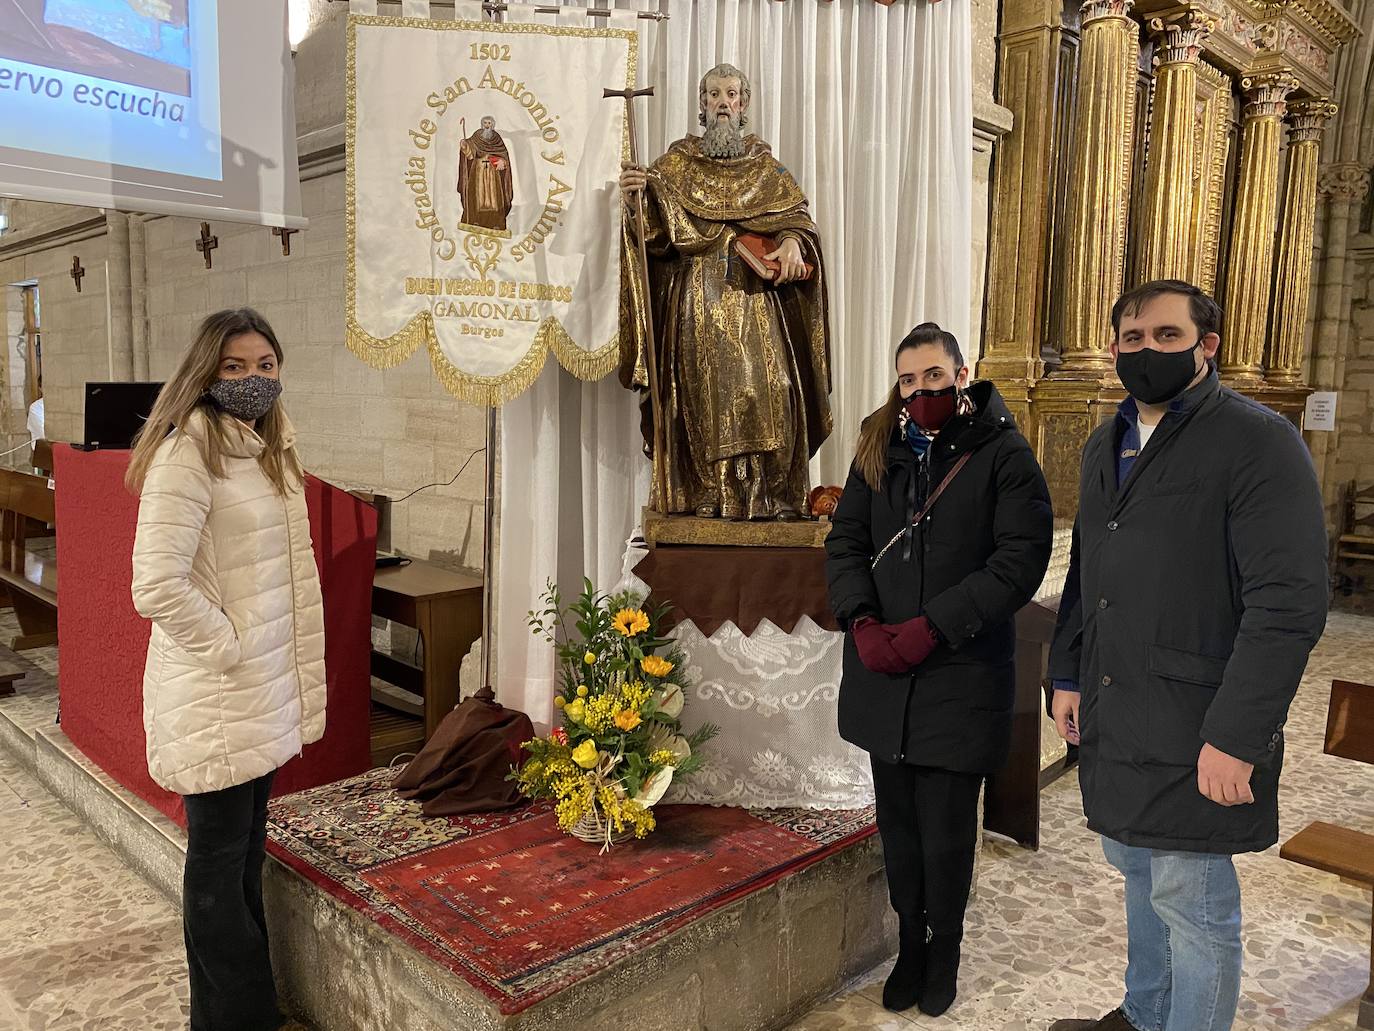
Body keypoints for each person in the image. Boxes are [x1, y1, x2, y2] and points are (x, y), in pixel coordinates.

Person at [1046, 280, 1328, 1031]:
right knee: (1137, 871)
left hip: (1198, 720)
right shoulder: (1107, 442)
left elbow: (1289, 603)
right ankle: (1146, 1015)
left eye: (1166, 337)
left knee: (1194, 905)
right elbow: (1087, 570)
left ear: (1207, 345)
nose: (1147, 352)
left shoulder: (1258, 441)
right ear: (1114, 347)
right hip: (1120, 703)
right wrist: (1067, 672)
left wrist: (1236, 736)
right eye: (1132, 338)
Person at [825, 322, 1053, 1016]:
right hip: (885, 675)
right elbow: (845, 542)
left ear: (961, 375)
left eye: (932, 376)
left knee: (947, 830)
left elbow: (1018, 560)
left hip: (960, 673)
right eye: (906, 379)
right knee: (899, 828)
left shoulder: (1005, 454)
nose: (919, 390)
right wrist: (861, 620)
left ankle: (945, 947)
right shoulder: (878, 450)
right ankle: (910, 947)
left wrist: (932, 627)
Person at [126, 307, 323, 1031]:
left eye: (264, 365)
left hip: (256, 692)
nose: (251, 379)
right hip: (216, 689)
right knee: (216, 859)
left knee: (244, 852)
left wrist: (261, 657)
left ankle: (228, 1015)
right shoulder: (190, 453)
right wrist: (232, 646)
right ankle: (242, 1021)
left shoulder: (268, 448)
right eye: (234, 367)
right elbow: (156, 584)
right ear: (206, 373)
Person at [618, 62, 832, 521]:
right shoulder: (673, 166)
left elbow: (799, 220)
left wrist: (792, 241)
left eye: (731, 94)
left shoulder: (766, 168)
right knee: (700, 396)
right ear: (701, 104)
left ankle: (769, 496)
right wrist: (636, 201)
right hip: (696, 299)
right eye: (713, 94)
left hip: (754, 302)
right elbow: (653, 239)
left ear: (744, 105)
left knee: (771, 389)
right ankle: (706, 495)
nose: (722, 103)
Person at [457, 115, 514, 233]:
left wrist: (501, 161)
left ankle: (495, 223)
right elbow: (471, 154)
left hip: (493, 173)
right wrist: (465, 146)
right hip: (478, 171)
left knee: (494, 197)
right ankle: (476, 220)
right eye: (485, 123)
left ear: (492, 125)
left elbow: (503, 155)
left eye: (489, 123)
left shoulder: (497, 138)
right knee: (477, 196)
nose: (487, 125)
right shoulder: (476, 136)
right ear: (482, 124)